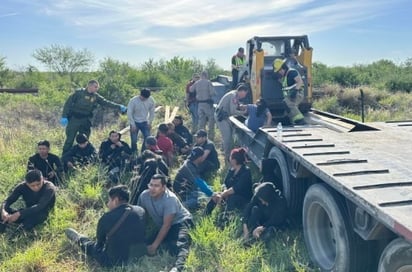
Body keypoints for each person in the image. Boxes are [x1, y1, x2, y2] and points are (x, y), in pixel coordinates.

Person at [65, 185, 146, 268]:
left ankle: (79, 238)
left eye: (109, 200)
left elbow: (100, 243)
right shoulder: (140, 210)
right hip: (138, 257)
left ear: (116, 200)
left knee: (92, 247)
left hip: (114, 263)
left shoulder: (106, 218)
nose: (107, 204)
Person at [138, 174, 193, 272]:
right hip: (163, 225)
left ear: (163, 188)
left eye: (156, 186)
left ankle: (177, 268)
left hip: (180, 222)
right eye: (151, 185)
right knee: (145, 244)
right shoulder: (144, 196)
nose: (152, 188)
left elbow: (167, 225)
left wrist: (154, 246)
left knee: (180, 245)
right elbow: (142, 216)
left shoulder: (170, 199)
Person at [60, 79, 127, 154]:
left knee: (85, 140)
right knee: (70, 139)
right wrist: (64, 116)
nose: (97, 89)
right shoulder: (79, 93)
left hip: (85, 120)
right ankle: (65, 156)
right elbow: (68, 104)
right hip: (74, 119)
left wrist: (119, 107)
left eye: (97, 87)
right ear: (89, 86)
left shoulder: (96, 96)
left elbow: (106, 102)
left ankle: (83, 156)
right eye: (95, 87)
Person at [205, 148, 253, 214]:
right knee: (215, 196)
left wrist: (224, 194)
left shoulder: (246, 172)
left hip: (243, 198)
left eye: (230, 157)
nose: (229, 158)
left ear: (234, 160)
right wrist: (224, 191)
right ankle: (206, 214)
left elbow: (237, 188)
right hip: (228, 194)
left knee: (232, 198)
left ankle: (225, 218)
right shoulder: (231, 170)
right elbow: (225, 183)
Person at [215, 84, 248, 162]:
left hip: (225, 116)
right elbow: (233, 111)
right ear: (241, 91)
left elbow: (235, 106)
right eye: (245, 94)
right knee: (228, 138)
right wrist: (243, 112)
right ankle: (227, 159)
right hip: (221, 117)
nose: (244, 96)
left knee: (229, 136)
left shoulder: (234, 94)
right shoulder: (234, 96)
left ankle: (225, 152)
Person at [273, 58, 305, 125]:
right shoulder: (285, 76)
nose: (279, 72)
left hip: (297, 93)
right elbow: (285, 84)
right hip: (290, 95)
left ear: (283, 68)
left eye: (279, 70)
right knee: (287, 107)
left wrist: (295, 91)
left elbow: (300, 81)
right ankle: (287, 120)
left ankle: (300, 120)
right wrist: (277, 78)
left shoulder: (292, 72)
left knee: (287, 102)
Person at [127, 88, 156, 154]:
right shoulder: (133, 101)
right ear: (140, 94)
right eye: (143, 98)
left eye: (146, 98)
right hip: (135, 122)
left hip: (145, 122)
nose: (144, 99)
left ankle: (144, 152)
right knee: (134, 140)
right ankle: (134, 152)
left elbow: (152, 112)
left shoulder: (151, 101)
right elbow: (129, 112)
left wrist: (150, 122)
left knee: (147, 137)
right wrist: (133, 124)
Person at [189, 70, 216, 140]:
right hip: (207, 104)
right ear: (206, 75)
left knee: (201, 121)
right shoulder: (208, 82)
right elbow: (212, 93)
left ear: (201, 75)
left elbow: (191, 90)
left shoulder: (197, 83)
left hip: (199, 104)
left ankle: (201, 137)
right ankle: (210, 137)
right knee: (211, 120)